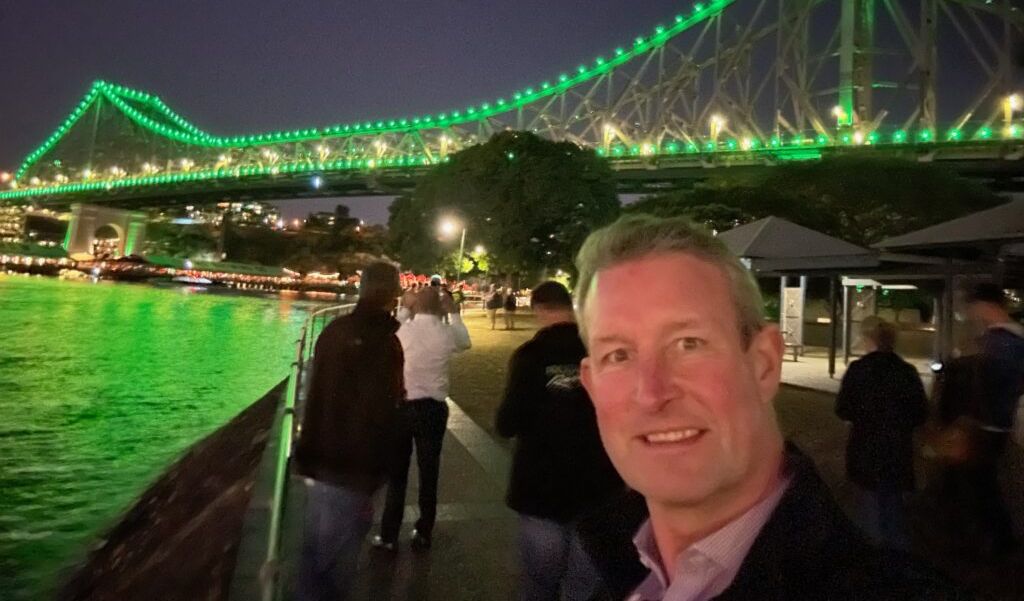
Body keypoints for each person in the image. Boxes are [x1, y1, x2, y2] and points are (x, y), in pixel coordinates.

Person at [573, 214, 966, 601]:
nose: (652, 393)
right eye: (619, 355)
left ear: (763, 364)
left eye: (688, 343)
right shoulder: (618, 571)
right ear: (591, 387)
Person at [496, 281, 623, 601]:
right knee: (581, 590)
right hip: (597, 487)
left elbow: (507, 423)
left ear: (539, 308)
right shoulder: (604, 354)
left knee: (540, 587)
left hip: (542, 486)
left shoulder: (530, 357)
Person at [292, 260, 405, 601]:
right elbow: (385, 410)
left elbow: (315, 393)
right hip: (355, 469)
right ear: (394, 294)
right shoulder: (386, 345)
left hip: (319, 458)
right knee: (336, 567)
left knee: (313, 555)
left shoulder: (333, 331)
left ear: (361, 288)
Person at [373, 286, 471, 551]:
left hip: (402, 406)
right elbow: (465, 342)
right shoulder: (447, 332)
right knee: (429, 473)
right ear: (441, 308)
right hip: (433, 409)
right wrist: (455, 314)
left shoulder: (403, 330)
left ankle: (389, 534)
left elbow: (384, 336)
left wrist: (404, 308)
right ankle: (424, 530)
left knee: (397, 474)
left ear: (416, 305)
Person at [835, 319, 929, 549]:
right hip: (898, 451)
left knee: (870, 513)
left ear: (869, 340)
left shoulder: (859, 370)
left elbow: (842, 409)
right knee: (894, 514)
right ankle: (899, 565)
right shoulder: (907, 371)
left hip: (866, 450)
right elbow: (921, 412)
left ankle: (877, 571)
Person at [951, 282, 1024, 557]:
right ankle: (996, 539)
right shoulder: (1006, 339)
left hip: (992, 426)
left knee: (984, 487)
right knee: (985, 486)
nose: (971, 314)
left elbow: (994, 387)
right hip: (995, 425)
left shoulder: (1002, 343)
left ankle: (996, 542)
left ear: (985, 305)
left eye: (972, 307)